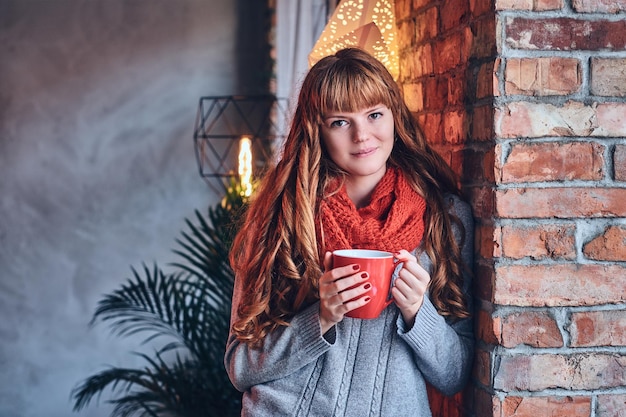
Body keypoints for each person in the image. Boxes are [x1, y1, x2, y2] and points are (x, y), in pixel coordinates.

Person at [224, 47, 474, 417]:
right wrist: (320, 317)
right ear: (317, 131)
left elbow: (455, 375)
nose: (362, 135)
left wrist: (418, 312)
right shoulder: (284, 215)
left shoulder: (446, 218)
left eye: (374, 114)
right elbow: (240, 365)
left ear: (394, 117)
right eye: (340, 122)